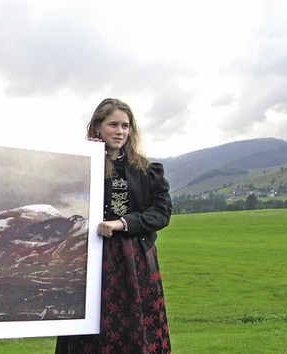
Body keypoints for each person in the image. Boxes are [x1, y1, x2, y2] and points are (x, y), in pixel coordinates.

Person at [56, 98, 173, 353]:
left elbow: (161, 212)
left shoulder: (144, 169)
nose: (120, 131)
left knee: (133, 326)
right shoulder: (80, 166)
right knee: (91, 324)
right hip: (91, 258)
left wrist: (122, 223)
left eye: (125, 126)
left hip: (134, 260)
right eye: (113, 125)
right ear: (98, 127)